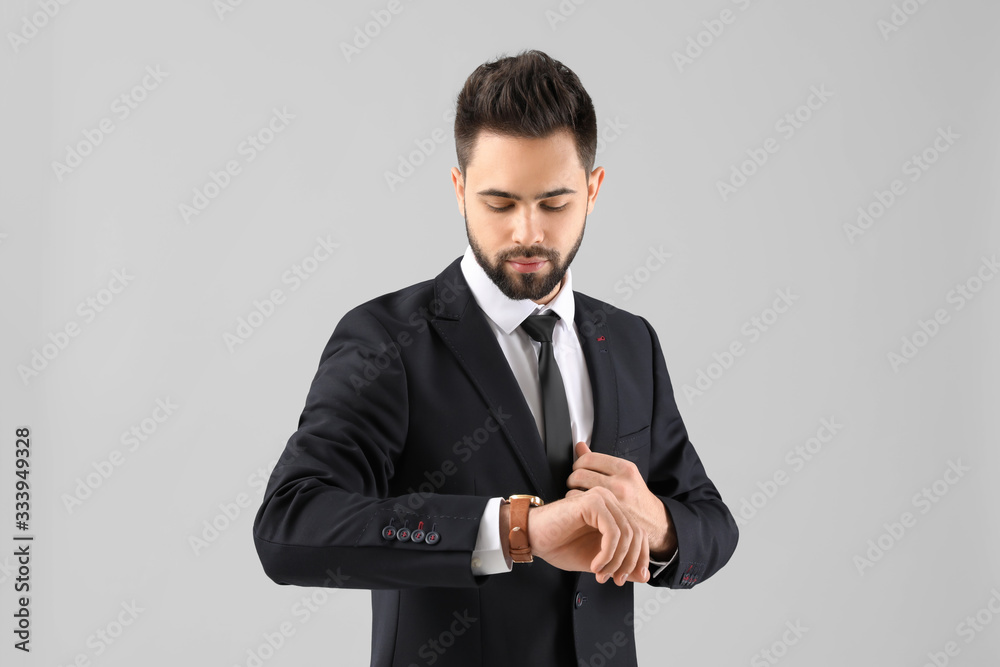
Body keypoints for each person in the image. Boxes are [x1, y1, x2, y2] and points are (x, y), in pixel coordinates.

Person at [253, 49, 738, 667]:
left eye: (555, 204)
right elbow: (290, 527)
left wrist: (659, 527)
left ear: (593, 190)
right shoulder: (385, 341)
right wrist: (518, 531)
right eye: (500, 203)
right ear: (459, 190)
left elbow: (712, 523)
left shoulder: (631, 341)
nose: (527, 233)